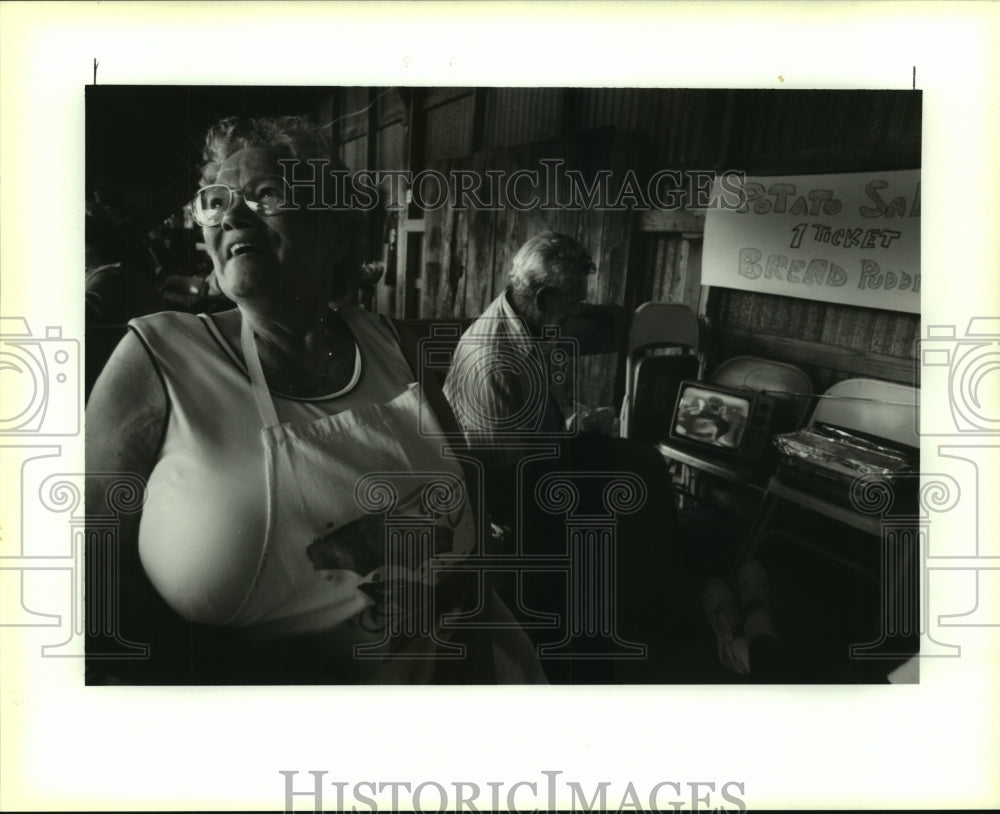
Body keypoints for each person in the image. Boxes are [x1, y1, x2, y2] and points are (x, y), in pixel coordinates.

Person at [85, 115, 543, 685]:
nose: (230, 215)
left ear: (337, 231)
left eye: (266, 195)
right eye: (215, 201)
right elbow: (85, 584)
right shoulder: (161, 358)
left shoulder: (396, 348)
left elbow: (471, 530)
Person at [442, 232, 680, 681]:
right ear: (545, 296)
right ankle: (590, 648)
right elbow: (511, 478)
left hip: (534, 467)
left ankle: (650, 599)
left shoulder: (531, 324)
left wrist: (576, 427)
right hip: (502, 493)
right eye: (572, 305)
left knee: (644, 463)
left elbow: (540, 429)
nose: (574, 317)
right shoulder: (493, 356)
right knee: (616, 502)